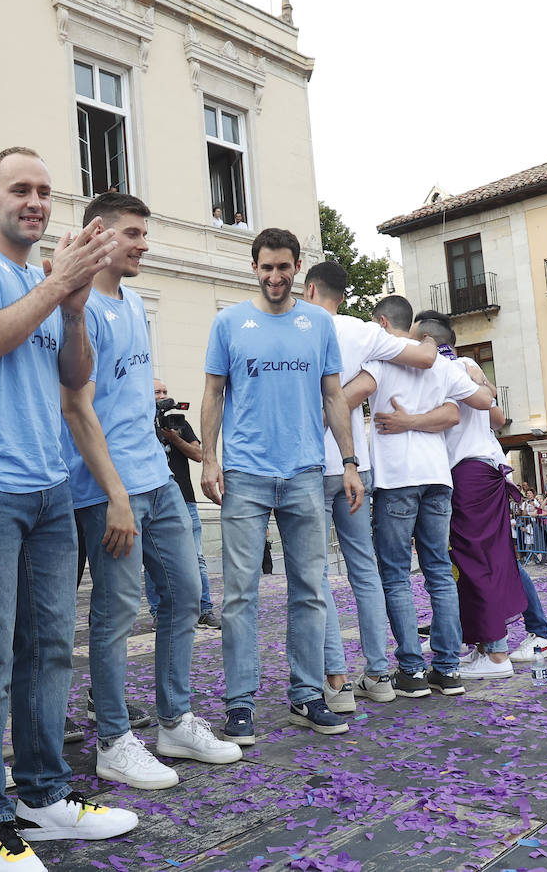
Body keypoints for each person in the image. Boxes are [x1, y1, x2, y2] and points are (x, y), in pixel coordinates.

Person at [0, 146, 133, 872]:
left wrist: (73, 308)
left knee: (48, 648)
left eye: (46, 191)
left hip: (49, 486)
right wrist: (59, 287)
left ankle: (42, 794)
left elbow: (74, 379)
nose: (36, 202)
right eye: (20, 188)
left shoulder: (47, 281)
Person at [60, 192, 242, 794]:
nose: (143, 243)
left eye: (144, 233)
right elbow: (77, 406)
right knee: (114, 615)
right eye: (133, 233)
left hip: (157, 480)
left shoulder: (136, 304)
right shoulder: (81, 306)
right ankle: (113, 740)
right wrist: (113, 493)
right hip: (106, 487)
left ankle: (174, 721)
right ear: (100, 234)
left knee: (186, 596)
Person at [200, 227, 360, 745]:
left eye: (283, 267)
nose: (275, 276)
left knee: (310, 589)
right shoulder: (229, 322)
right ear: (254, 268)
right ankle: (240, 704)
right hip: (245, 474)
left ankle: (306, 694)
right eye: (266, 267)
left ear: (297, 268)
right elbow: (213, 393)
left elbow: (334, 396)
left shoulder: (317, 323)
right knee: (239, 595)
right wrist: (208, 459)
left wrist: (351, 462)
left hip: (305, 473)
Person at [300, 260, 440, 712]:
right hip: (355, 464)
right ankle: (378, 674)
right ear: (344, 293)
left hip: (309, 464)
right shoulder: (363, 331)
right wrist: (429, 337)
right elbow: (424, 355)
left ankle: (336, 684)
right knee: (364, 569)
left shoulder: (297, 324)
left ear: (309, 288)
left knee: (316, 575)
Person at [342, 295, 495, 698]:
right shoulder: (444, 366)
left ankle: (411, 670)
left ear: (385, 325)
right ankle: (447, 670)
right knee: (439, 573)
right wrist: (473, 373)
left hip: (396, 479)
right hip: (438, 477)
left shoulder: (381, 361)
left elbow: (346, 399)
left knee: (394, 575)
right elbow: (482, 402)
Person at [379, 311, 525, 680]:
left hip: (464, 470)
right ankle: (482, 645)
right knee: (479, 561)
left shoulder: (443, 365)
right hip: (486, 466)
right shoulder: (467, 364)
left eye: (417, 337)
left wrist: (407, 421)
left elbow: (451, 417)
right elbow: (497, 415)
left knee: (472, 563)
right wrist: (485, 384)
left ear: (427, 338)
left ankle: (494, 652)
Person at [150, 378, 218, 628]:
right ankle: (159, 611)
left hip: (185, 499)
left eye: (165, 391)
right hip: (153, 499)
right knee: (154, 559)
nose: (163, 395)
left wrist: (175, 438)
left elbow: (199, 454)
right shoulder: (142, 423)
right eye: (157, 391)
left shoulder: (179, 423)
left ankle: (204, 608)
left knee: (197, 556)